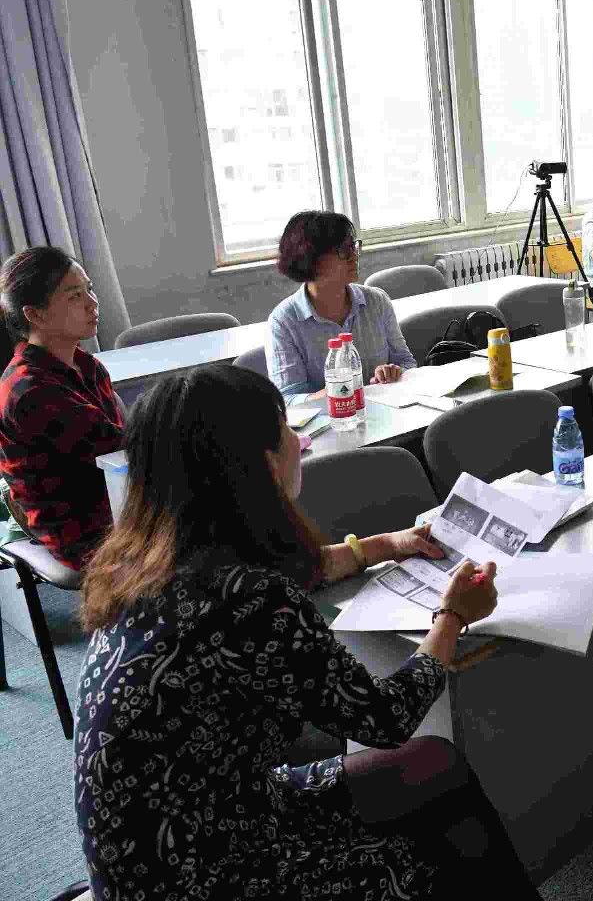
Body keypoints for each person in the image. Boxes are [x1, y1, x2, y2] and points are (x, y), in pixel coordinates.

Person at [74, 363, 542, 900]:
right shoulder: (250, 601)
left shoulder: (143, 561)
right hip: (203, 871)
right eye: (286, 432)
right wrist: (453, 616)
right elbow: (385, 718)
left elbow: (294, 569)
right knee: (437, 857)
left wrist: (385, 545)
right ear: (258, 464)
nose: (299, 443)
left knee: (438, 764)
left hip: (187, 826)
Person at [0, 246, 124, 570]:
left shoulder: (87, 364)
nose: (92, 303)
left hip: (117, 502)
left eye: (90, 290)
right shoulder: (30, 391)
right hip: (81, 533)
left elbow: (121, 454)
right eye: (74, 297)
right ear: (35, 314)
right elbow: (117, 447)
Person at [267, 210, 416, 396]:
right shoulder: (283, 321)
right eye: (343, 250)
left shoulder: (377, 301)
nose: (354, 255)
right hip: (329, 414)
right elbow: (288, 399)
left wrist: (392, 373)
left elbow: (407, 363)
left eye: (353, 246)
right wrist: (339, 390)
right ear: (310, 258)